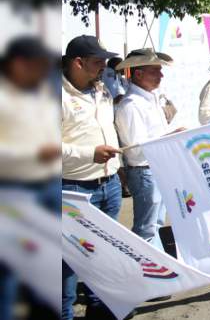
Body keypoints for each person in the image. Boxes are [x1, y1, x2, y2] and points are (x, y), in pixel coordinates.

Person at [61, 35, 122, 320]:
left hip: (108, 184)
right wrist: (89, 154)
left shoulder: (102, 90)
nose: (104, 66)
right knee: (69, 258)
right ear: (78, 62)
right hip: (73, 187)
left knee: (102, 250)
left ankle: (99, 306)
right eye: (98, 61)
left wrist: (116, 165)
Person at [0, 36, 61, 320]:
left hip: (46, 186)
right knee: (9, 271)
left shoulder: (39, 96)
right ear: (17, 65)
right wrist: (34, 153)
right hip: (13, 192)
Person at [114, 49, 178, 260]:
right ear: (138, 74)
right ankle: (146, 269)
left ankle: (155, 267)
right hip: (144, 170)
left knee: (155, 222)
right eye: (155, 71)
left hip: (154, 168)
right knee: (148, 225)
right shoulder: (131, 105)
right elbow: (135, 147)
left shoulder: (150, 99)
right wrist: (171, 136)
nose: (161, 75)